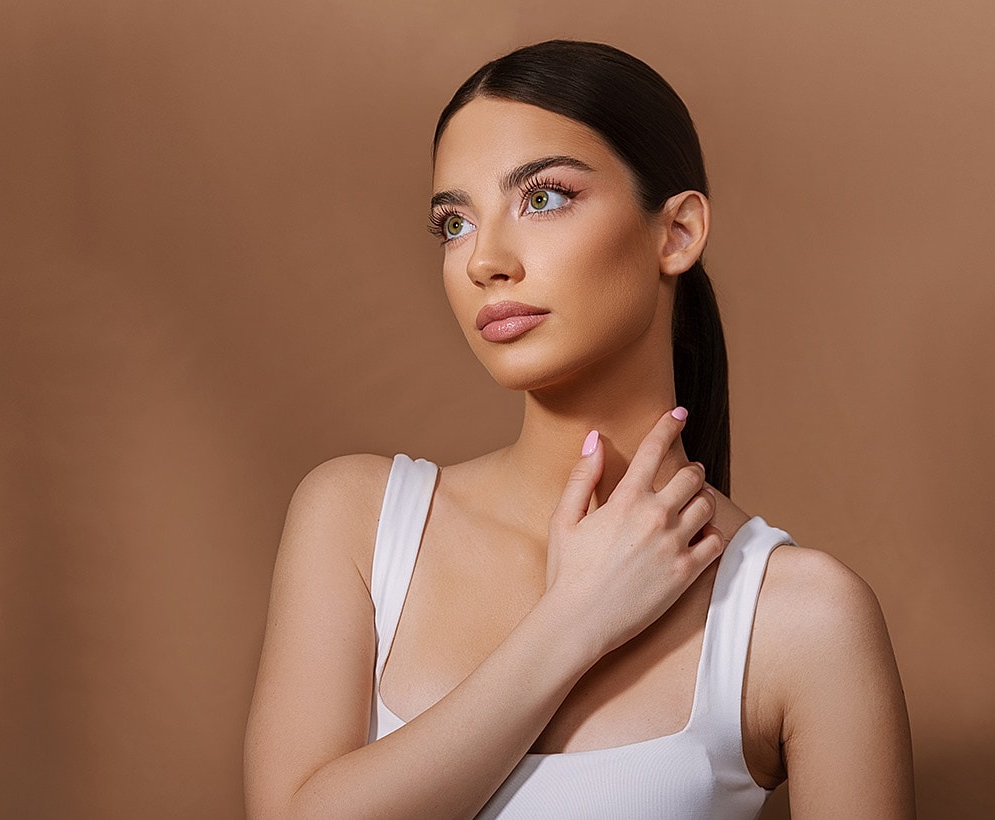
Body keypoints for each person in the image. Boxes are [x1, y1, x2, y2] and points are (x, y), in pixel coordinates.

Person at [243, 40, 914, 819]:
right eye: (455, 222)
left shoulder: (802, 618)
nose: (485, 261)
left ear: (678, 233)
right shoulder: (360, 521)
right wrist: (573, 621)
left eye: (544, 198)